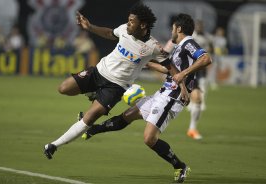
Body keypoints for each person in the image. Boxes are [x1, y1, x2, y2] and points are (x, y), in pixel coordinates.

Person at [82, 13, 212, 183]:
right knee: (128, 115)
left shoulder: (188, 43)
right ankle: (93, 129)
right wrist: (146, 63)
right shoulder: (180, 47)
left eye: (172, 28)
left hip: (172, 98)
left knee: (149, 138)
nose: (171, 31)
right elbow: (168, 70)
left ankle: (180, 166)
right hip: (163, 93)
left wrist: (183, 75)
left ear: (179, 29)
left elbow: (206, 58)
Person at [44, 3, 180, 161]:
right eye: (128, 20)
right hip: (98, 72)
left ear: (142, 25)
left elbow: (170, 67)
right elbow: (109, 33)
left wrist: (182, 87)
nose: (128, 23)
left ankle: (54, 145)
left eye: (131, 21)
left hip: (115, 87)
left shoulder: (153, 47)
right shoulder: (124, 30)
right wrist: (89, 27)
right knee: (63, 88)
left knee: (89, 117)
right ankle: (93, 92)